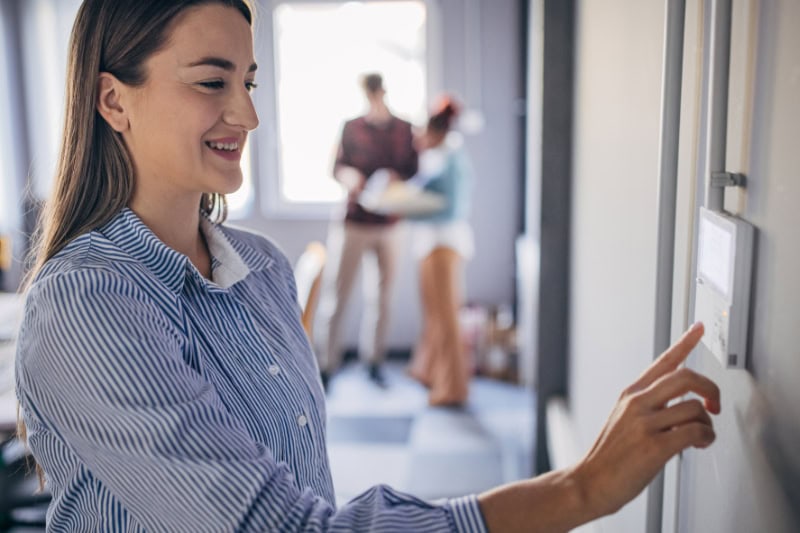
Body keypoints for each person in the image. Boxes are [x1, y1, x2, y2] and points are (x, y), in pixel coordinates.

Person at [14, 1, 721, 531]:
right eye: (211, 82)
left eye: (250, 83)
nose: (247, 116)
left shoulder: (261, 267)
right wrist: (578, 490)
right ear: (113, 100)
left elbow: (306, 495)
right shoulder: (88, 303)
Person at [314, 73, 418, 389]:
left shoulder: (404, 129)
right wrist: (351, 178)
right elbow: (336, 168)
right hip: (354, 221)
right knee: (338, 293)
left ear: (384, 91)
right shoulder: (351, 128)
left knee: (383, 297)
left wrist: (395, 182)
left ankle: (374, 361)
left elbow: (414, 170)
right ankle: (326, 364)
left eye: (376, 92)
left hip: (390, 224)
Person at [406, 96, 475, 406]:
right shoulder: (439, 158)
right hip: (433, 243)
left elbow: (447, 207)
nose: (417, 138)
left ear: (436, 132)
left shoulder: (450, 160)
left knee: (446, 319)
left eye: (421, 131)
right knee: (435, 315)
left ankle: (453, 388)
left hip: (443, 244)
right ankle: (430, 372)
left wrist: (405, 201)